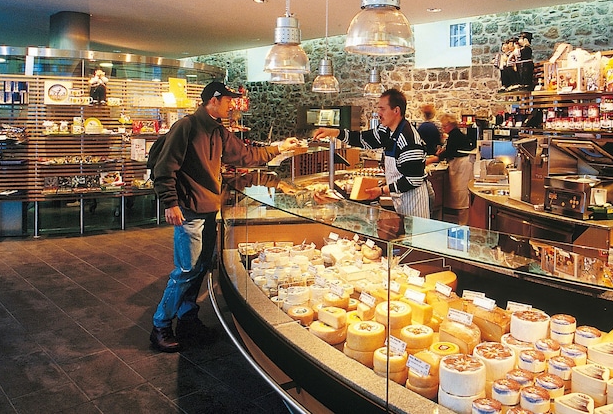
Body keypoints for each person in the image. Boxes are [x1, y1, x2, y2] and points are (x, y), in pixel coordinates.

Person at [149, 81, 299, 352]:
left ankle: (187, 319)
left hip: (208, 210)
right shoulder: (187, 127)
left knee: (199, 269)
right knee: (185, 270)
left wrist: (279, 147)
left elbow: (246, 156)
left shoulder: (219, 131)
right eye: (229, 100)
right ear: (214, 100)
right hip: (189, 212)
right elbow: (165, 167)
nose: (232, 105)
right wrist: (170, 203)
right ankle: (160, 325)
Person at [313, 88, 430, 218]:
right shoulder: (386, 130)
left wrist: (381, 190)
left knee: (416, 237)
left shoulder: (408, 139)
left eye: (382, 109)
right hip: (399, 197)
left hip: (413, 200)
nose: (379, 113)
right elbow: (364, 139)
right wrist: (335, 132)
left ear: (396, 110)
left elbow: (413, 179)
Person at [433, 114, 476, 225]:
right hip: (459, 165)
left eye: (444, 126)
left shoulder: (455, 135)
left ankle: (464, 224)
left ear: (450, 125)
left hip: (462, 166)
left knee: (462, 196)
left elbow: (450, 152)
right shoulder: (454, 134)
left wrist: (436, 157)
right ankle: (462, 222)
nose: (443, 128)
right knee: (459, 196)